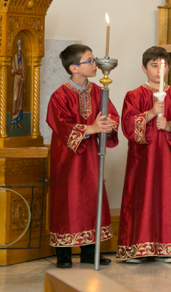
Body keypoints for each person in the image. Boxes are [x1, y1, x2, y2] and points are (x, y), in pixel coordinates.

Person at [118, 47, 171, 263]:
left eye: (163, 65)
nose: (159, 70)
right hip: (141, 161)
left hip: (167, 161)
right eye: (154, 65)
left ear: (169, 68)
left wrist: (170, 126)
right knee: (141, 197)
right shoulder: (134, 95)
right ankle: (137, 247)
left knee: (168, 197)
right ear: (144, 68)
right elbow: (127, 125)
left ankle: (168, 247)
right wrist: (151, 113)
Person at [46, 44, 119, 268]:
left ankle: (89, 252)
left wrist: (108, 124)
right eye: (89, 61)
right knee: (67, 201)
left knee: (91, 198)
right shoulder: (59, 95)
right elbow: (61, 125)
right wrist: (93, 128)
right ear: (73, 67)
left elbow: (110, 116)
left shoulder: (98, 91)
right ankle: (64, 254)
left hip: (91, 157)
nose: (94, 64)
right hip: (67, 159)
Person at [9, 39, 25, 131]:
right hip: (16, 80)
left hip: (21, 81)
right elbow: (11, 71)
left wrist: (23, 77)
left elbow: (25, 71)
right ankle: (12, 122)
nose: (20, 45)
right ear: (16, 45)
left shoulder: (22, 57)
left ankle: (19, 122)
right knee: (15, 99)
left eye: (21, 43)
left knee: (20, 101)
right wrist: (17, 69)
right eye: (18, 43)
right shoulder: (14, 57)